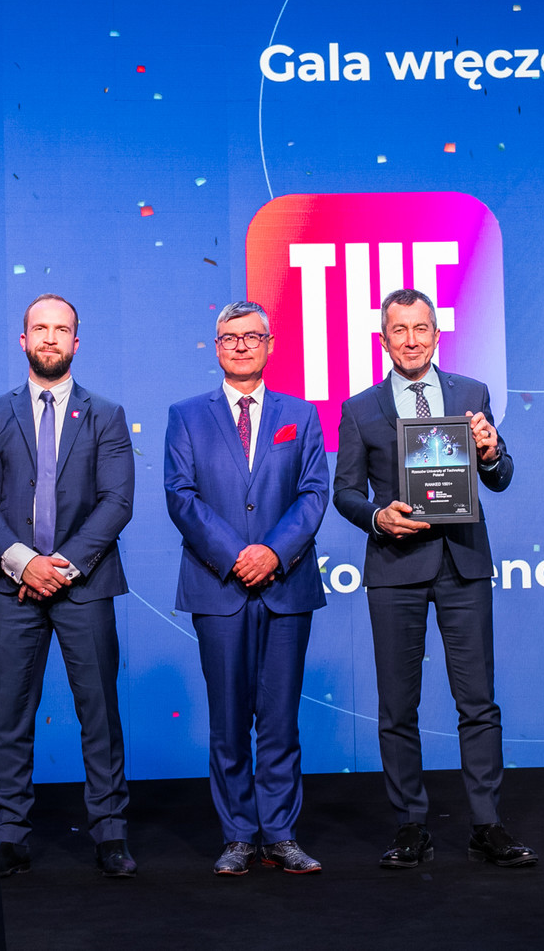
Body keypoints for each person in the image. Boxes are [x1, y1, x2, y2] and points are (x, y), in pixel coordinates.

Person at [333, 288, 537, 868]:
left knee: (478, 702)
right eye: (399, 330)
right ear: (384, 340)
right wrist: (377, 517)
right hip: (395, 567)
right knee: (398, 706)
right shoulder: (360, 409)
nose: (411, 340)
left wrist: (491, 452)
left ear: (437, 334)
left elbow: (500, 475)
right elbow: (344, 491)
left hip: (463, 563)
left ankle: (488, 825)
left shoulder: (471, 394)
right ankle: (410, 826)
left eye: (421, 328)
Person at [0, 294, 137, 878]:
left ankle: (110, 832)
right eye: (40, 328)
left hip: (84, 584)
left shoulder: (106, 414)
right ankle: (10, 833)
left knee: (100, 713)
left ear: (76, 342)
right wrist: (23, 563)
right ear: (23, 340)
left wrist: (60, 565)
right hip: (10, 585)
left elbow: (117, 502)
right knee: (10, 713)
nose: (49, 338)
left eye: (61, 329)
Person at [164, 301, 330, 876]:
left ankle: (280, 833)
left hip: (287, 587)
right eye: (229, 337)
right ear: (216, 347)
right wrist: (237, 556)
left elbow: (314, 494)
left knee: (280, 720)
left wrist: (273, 553)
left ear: (269, 345)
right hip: (219, 587)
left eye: (251, 336)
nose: (240, 345)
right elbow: (180, 495)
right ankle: (238, 835)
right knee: (229, 720)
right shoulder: (186, 415)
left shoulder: (300, 415)